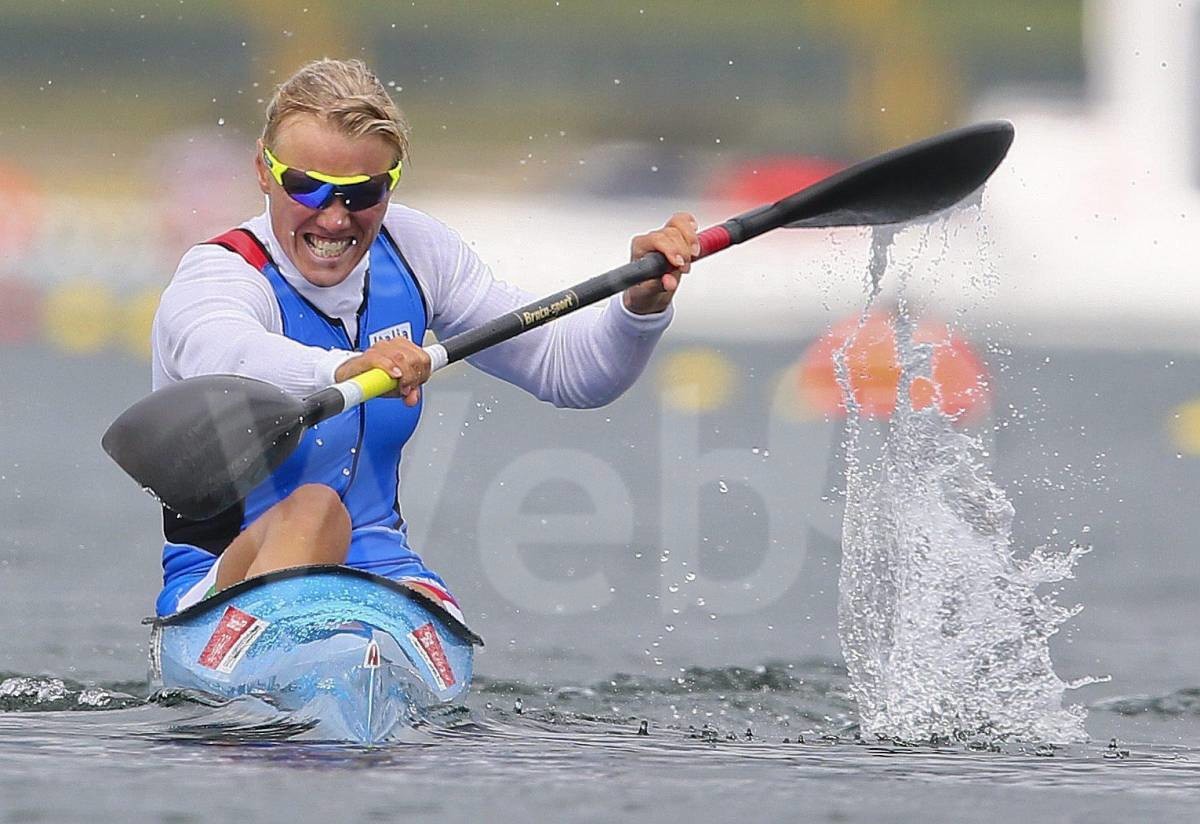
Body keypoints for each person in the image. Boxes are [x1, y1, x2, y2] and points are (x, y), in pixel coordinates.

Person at [150, 58, 698, 617]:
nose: (334, 219)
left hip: (382, 570)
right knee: (314, 509)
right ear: (263, 172)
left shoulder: (416, 251)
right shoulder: (219, 274)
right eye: (307, 188)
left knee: (440, 616)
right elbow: (224, 358)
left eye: (362, 193)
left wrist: (638, 309)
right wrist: (344, 369)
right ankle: (273, 636)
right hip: (219, 585)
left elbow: (570, 373)